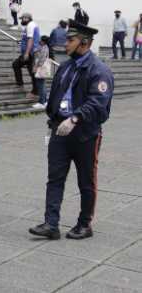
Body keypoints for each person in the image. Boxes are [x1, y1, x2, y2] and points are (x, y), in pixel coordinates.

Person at [29, 19, 114, 240]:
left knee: (86, 181)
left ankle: (84, 224)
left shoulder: (99, 70)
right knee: (55, 178)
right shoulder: (66, 66)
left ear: (84, 42)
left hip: (85, 133)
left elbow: (98, 102)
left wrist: (75, 117)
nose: (65, 43)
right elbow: (56, 92)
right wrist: (53, 116)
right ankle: (51, 223)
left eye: (70, 40)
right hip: (60, 130)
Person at [12, 13, 40, 100]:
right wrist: (21, 43)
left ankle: (34, 92)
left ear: (27, 18)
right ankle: (23, 86)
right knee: (19, 66)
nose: (21, 20)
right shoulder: (30, 26)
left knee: (17, 65)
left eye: (23, 19)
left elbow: (31, 40)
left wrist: (27, 53)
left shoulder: (30, 25)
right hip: (30, 53)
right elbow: (28, 39)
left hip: (31, 53)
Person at [32, 35, 51, 110]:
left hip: (41, 68)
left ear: (43, 41)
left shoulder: (44, 48)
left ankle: (41, 102)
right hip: (42, 68)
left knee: (40, 85)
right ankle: (45, 101)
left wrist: (36, 67)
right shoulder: (44, 47)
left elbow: (41, 60)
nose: (39, 40)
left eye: (40, 40)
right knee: (42, 84)